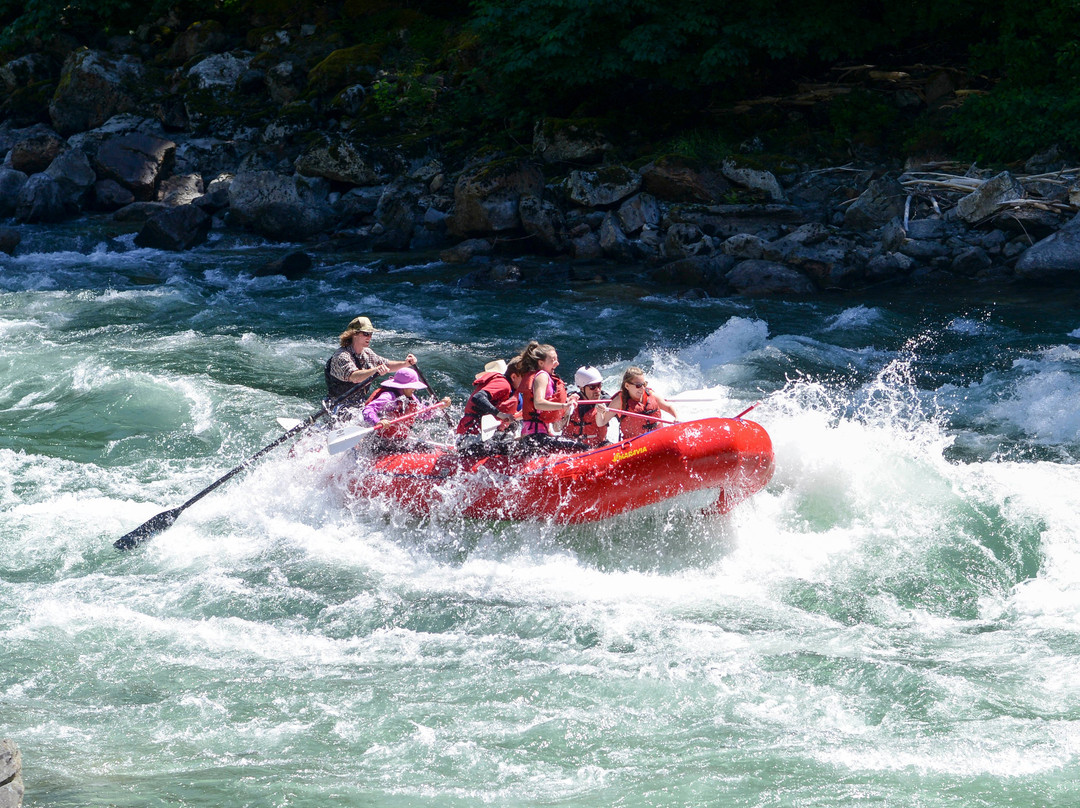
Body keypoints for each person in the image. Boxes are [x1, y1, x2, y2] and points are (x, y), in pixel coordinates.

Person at [324, 316, 418, 407]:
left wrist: (406, 364)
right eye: (366, 334)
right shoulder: (341, 356)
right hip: (337, 406)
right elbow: (355, 377)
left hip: (358, 404)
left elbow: (387, 365)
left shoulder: (367, 353)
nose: (369, 337)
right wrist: (374, 370)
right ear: (354, 334)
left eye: (371, 334)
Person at [512, 341, 584, 455]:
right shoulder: (542, 376)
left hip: (540, 433)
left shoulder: (546, 376)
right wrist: (564, 405)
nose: (557, 363)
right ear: (541, 362)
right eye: (553, 360)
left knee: (576, 445)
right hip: (535, 436)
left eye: (557, 359)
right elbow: (538, 403)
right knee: (582, 448)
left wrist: (568, 400)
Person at [362, 367, 450, 454]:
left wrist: (439, 407)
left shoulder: (411, 398)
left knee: (427, 449)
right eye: (412, 386)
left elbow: (423, 414)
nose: (415, 389)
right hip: (380, 442)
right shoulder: (389, 397)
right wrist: (377, 421)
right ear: (404, 386)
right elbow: (368, 410)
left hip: (398, 440)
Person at [455, 358, 523, 455]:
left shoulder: (511, 390)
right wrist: (500, 414)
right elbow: (478, 397)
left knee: (512, 430)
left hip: (476, 439)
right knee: (512, 447)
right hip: (471, 440)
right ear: (513, 377)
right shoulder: (503, 384)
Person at [595, 366, 678, 441]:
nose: (642, 388)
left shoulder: (651, 394)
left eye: (644, 384)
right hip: (635, 445)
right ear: (627, 386)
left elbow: (668, 407)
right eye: (638, 385)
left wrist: (676, 417)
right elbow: (601, 422)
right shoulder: (620, 401)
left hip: (656, 439)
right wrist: (599, 412)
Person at [561, 365, 610, 449]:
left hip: (598, 448)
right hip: (572, 446)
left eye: (599, 385)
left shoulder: (606, 400)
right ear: (582, 388)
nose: (597, 390)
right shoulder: (571, 401)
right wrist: (565, 411)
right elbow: (557, 426)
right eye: (592, 387)